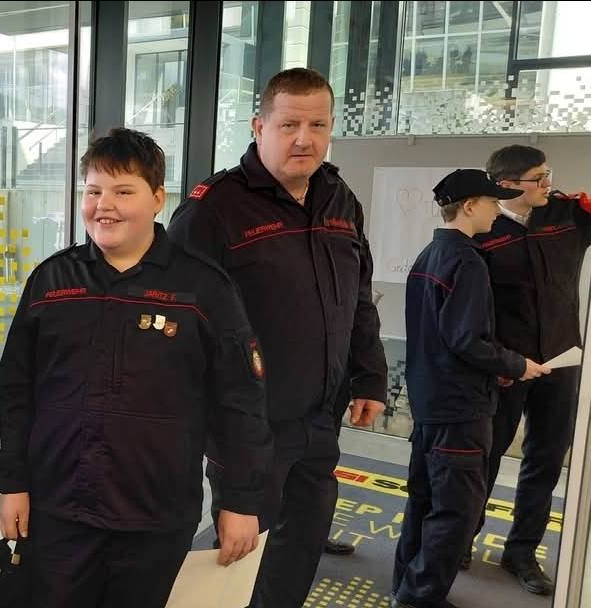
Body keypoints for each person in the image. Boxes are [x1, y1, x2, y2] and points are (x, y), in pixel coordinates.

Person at [0, 128, 271, 608]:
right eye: (93, 191)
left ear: (158, 198)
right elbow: (17, 390)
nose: (104, 206)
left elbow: (240, 401)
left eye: (123, 192)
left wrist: (240, 501)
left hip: (156, 516)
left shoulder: (203, 288)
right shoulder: (52, 281)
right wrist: (12, 483)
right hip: (60, 512)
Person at [167, 67, 388, 607]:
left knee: (302, 547)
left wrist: (370, 376)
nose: (304, 139)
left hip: (321, 416)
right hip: (249, 426)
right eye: (289, 125)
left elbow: (357, 297)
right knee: (239, 557)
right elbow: (177, 327)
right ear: (258, 126)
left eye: (318, 125)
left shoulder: (339, 198)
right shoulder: (212, 209)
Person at [392, 169, 550, 608]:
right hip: (461, 409)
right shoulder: (467, 262)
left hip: (429, 402)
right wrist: (517, 365)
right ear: (468, 206)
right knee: (456, 512)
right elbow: (468, 341)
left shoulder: (429, 255)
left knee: (423, 501)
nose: (496, 210)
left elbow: (442, 335)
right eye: (491, 202)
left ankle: (405, 586)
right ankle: (420, 597)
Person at [462, 146, 591, 594]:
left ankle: (521, 551)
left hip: (561, 359)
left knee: (546, 458)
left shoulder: (568, 215)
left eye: (547, 174)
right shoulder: (483, 226)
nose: (548, 183)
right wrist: (495, 360)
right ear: (506, 184)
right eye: (539, 177)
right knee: (486, 454)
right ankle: (463, 537)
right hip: (505, 364)